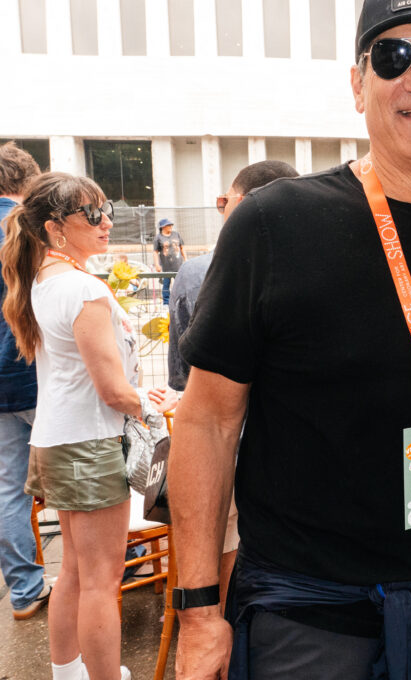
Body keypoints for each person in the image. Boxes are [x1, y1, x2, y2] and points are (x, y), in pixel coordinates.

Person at [168, 0, 411, 679]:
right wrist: (199, 611)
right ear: (358, 84)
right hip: (305, 622)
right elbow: (205, 424)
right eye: (393, 57)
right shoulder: (274, 224)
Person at [0, 172, 173, 680]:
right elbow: (114, 392)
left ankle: (68, 672)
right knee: (101, 578)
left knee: (73, 572)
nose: (105, 223)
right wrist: (153, 401)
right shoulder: (81, 288)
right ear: (55, 228)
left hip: (57, 441)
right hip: (90, 444)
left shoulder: (43, 281)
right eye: (92, 214)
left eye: (106, 211)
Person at [166, 159, 297, 608]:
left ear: (242, 203)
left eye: (224, 203)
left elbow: (185, 377)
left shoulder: (196, 271)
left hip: (221, 448)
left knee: (216, 571)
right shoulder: (307, 266)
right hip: (282, 458)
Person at [0, 142, 46, 621]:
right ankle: (120, 559)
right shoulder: (28, 227)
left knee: (8, 488)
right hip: (35, 373)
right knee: (83, 469)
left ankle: (24, 590)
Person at [152, 218, 185, 306]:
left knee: (180, 283)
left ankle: (181, 301)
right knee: (166, 284)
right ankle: (166, 302)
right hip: (166, 265)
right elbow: (155, 252)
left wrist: (185, 259)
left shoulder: (176, 234)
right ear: (163, 227)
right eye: (168, 225)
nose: (170, 227)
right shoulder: (158, 238)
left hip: (178, 264)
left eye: (171, 225)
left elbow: (182, 247)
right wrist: (157, 264)